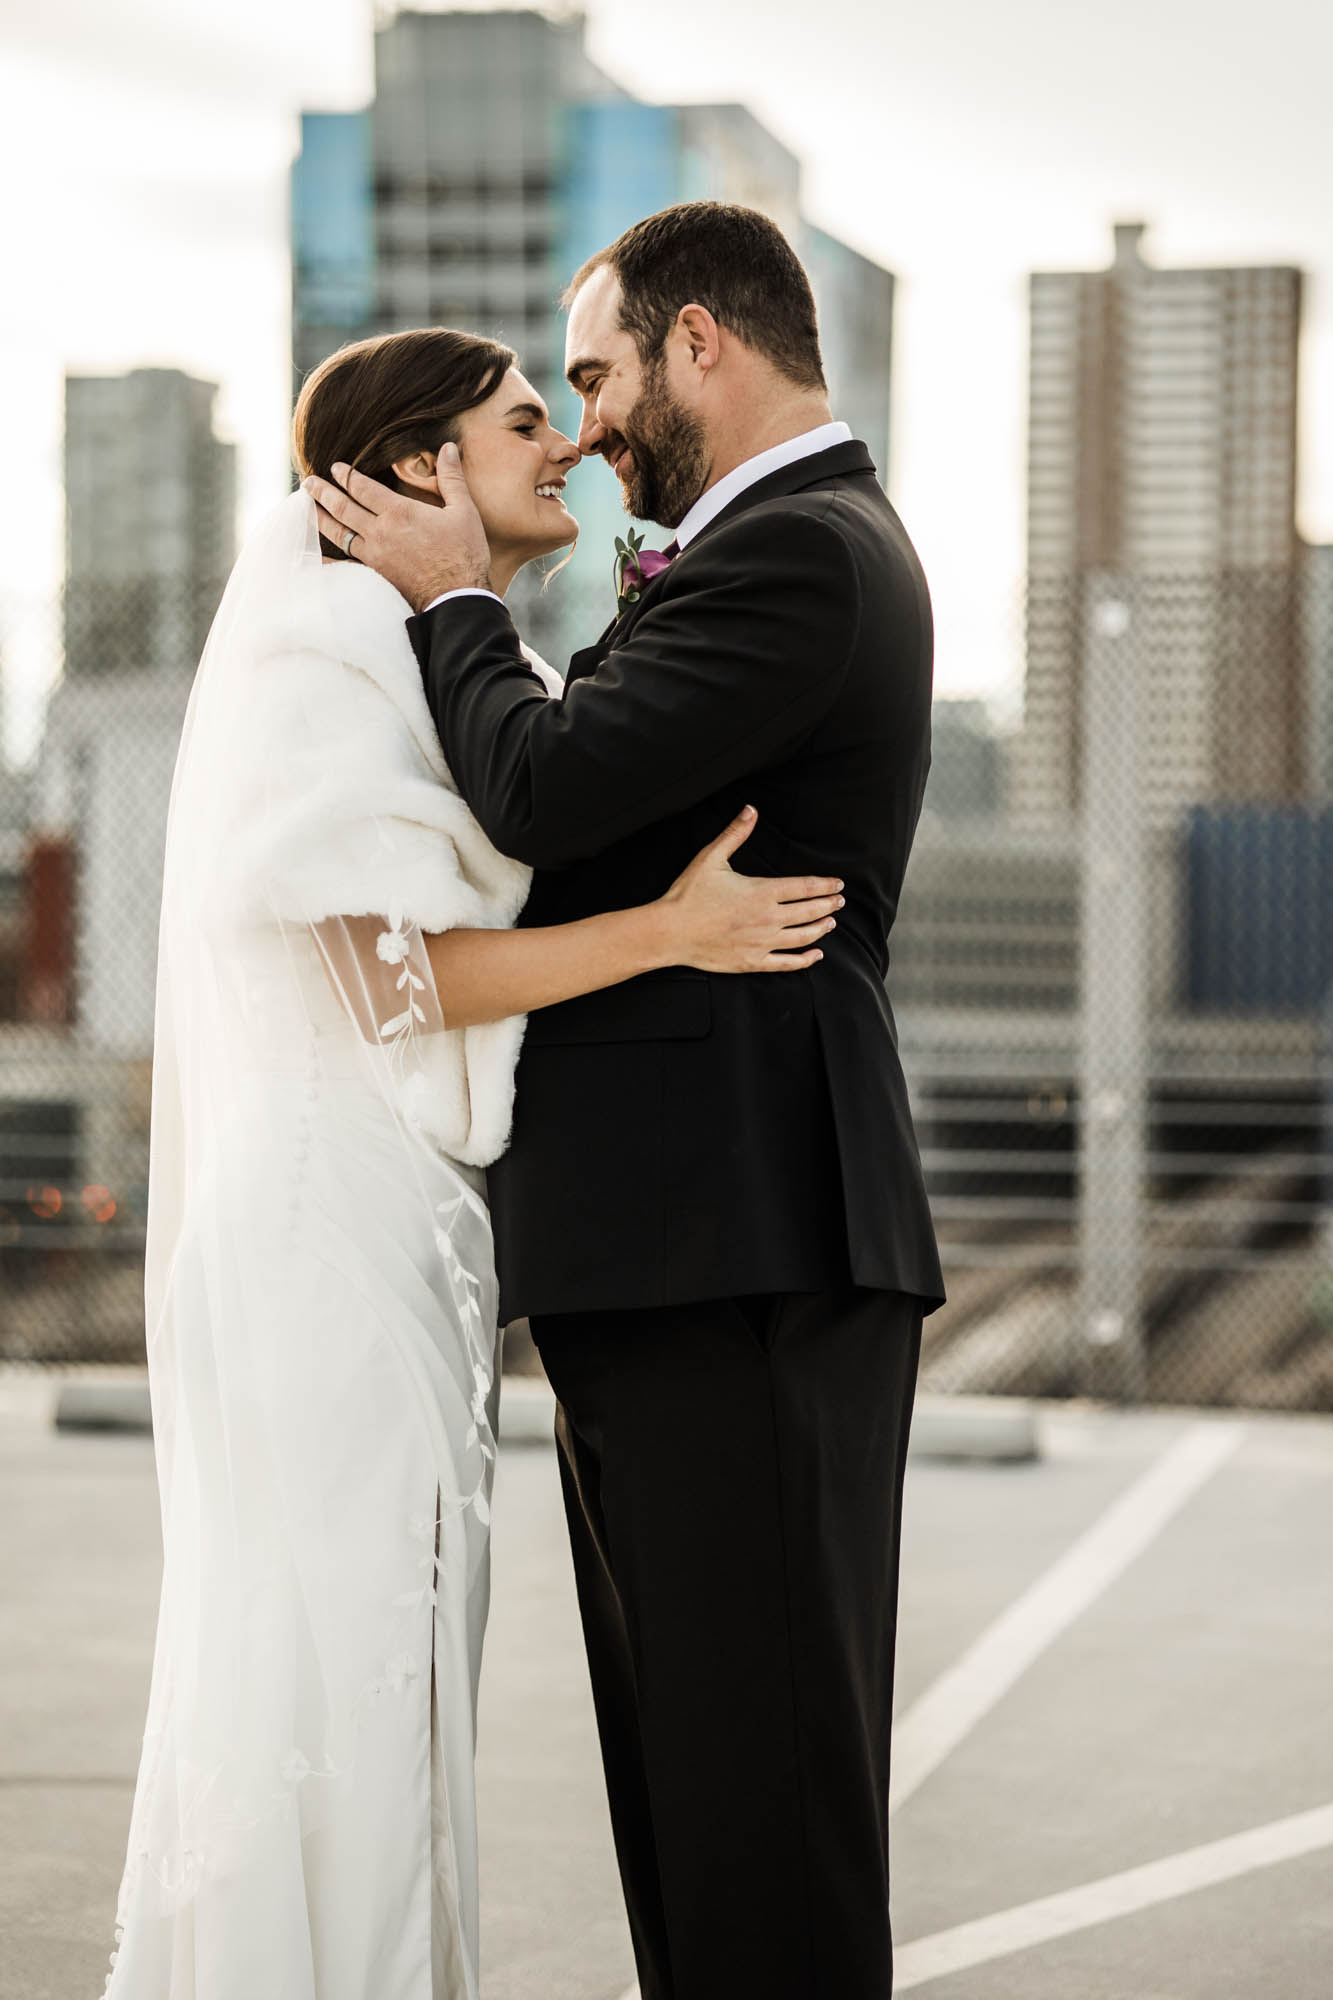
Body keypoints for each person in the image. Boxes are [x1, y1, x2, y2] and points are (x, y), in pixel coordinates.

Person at [103, 325, 844, 2000]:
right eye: (528, 418)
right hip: (322, 1227)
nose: (568, 444)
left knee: (392, 1655)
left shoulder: (413, 644)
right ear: (424, 468)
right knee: (339, 1663)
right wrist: (674, 933)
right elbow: (392, 982)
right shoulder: (333, 651)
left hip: (392, 1225)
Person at [306, 203, 946, 1999]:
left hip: (737, 1235)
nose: (584, 423)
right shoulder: (766, 552)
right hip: (685, 1241)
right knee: (694, 1785)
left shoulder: (802, 553)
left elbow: (550, 786)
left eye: (592, 374)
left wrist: (447, 598)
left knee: (758, 1800)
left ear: (694, 345)